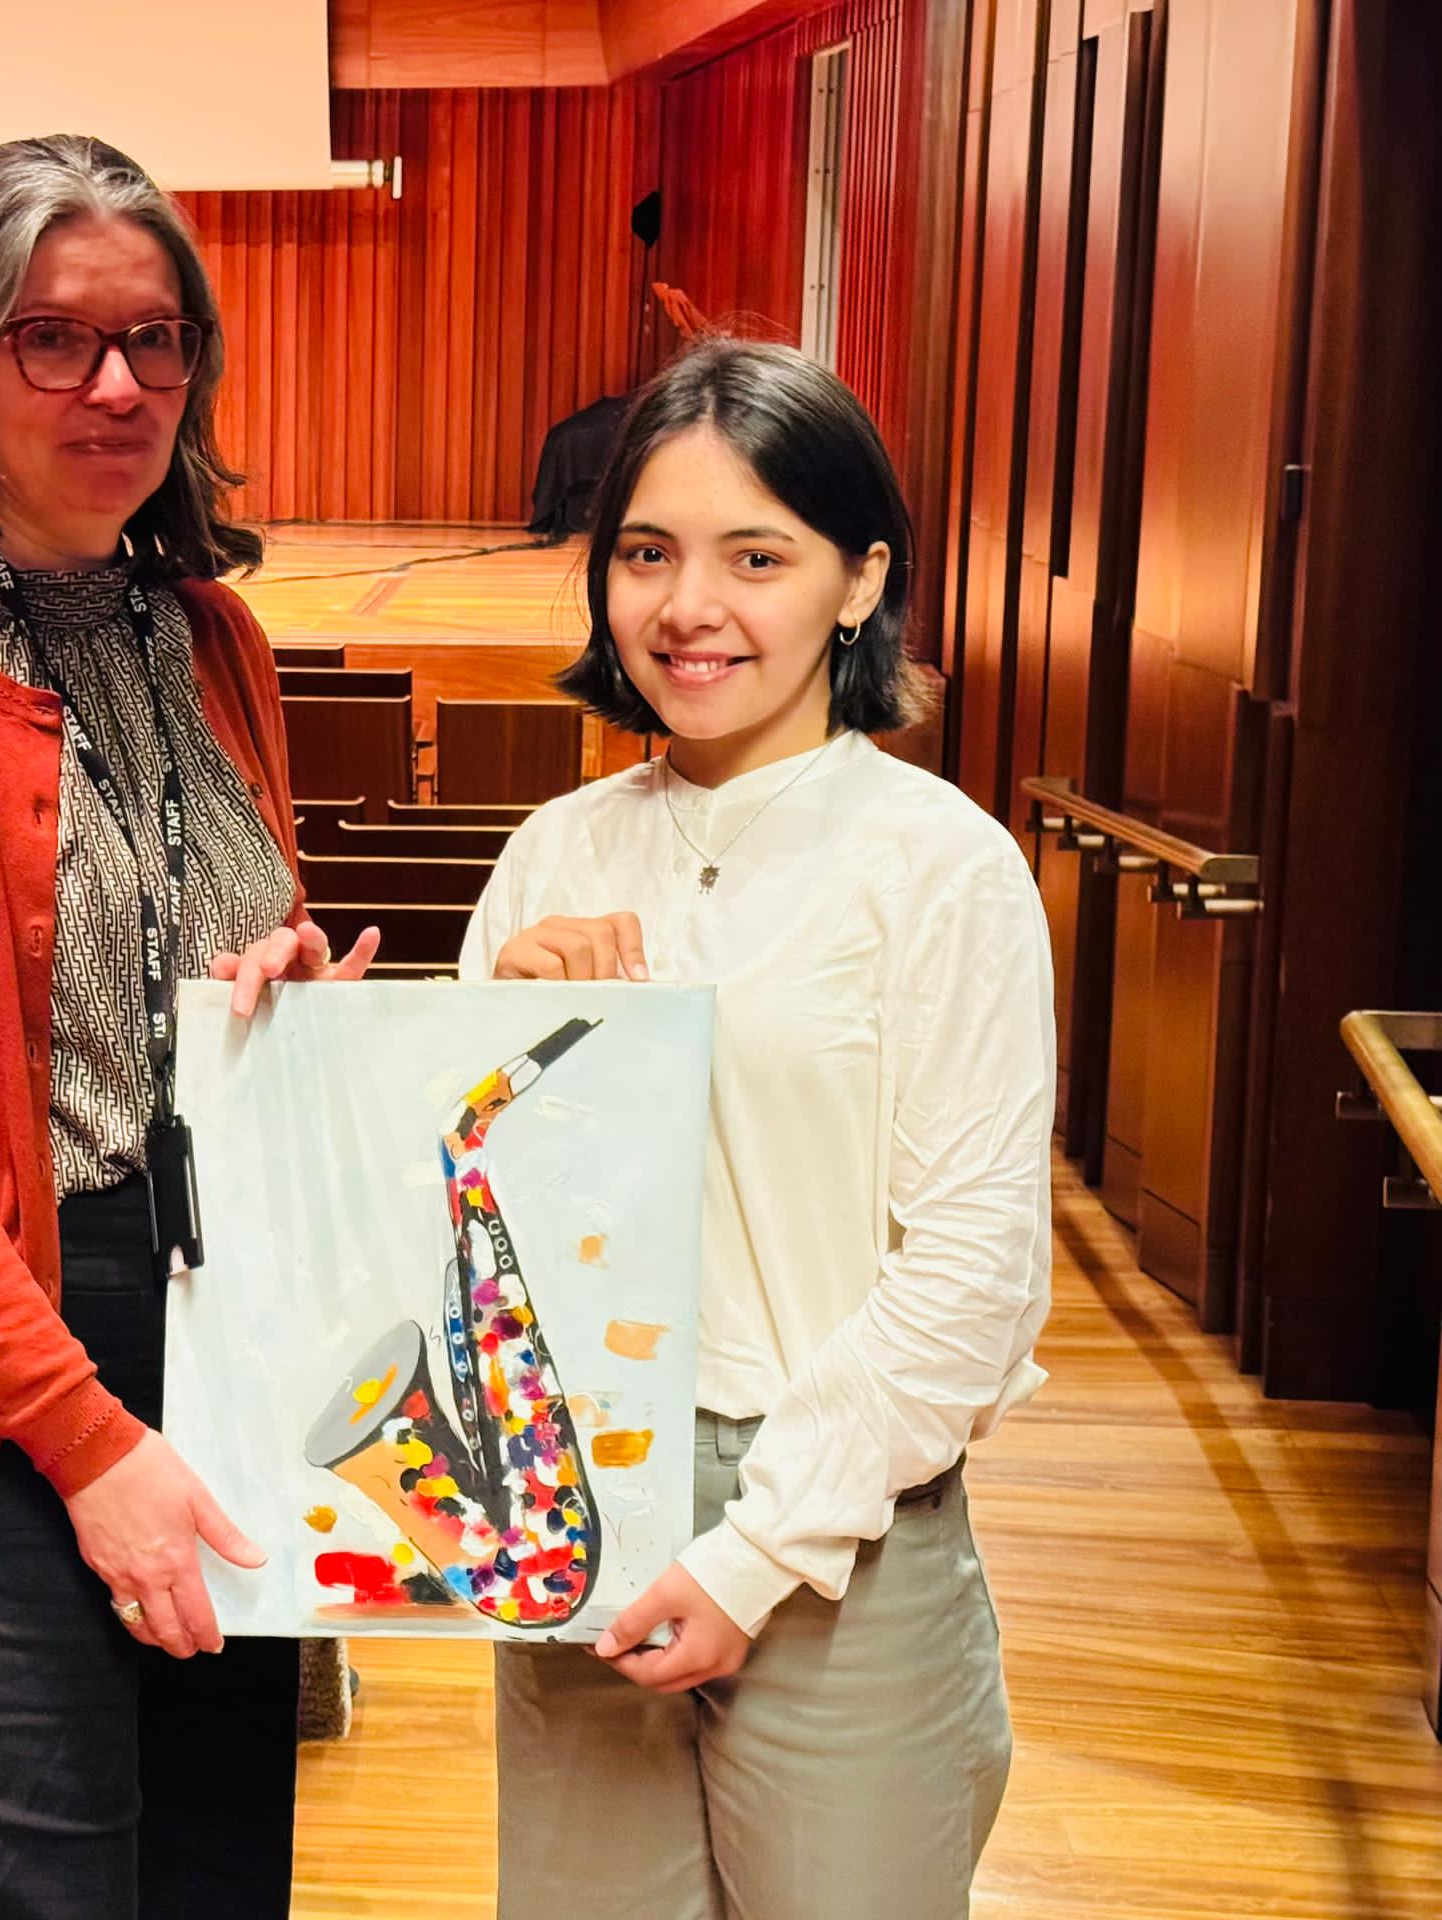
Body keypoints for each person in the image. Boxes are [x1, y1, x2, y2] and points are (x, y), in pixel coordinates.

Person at [0, 134, 375, 1920]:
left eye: (155, 338)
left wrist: (287, 985)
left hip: (227, 1330)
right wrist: (89, 1443)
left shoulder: (215, 637)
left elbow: (199, 924)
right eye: (55, 337)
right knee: (22, 1889)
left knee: (213, 1868)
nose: (118, 385)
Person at [465, 338, 1052, 1919]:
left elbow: (976, 1275)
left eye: (757, 557)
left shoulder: (941, 865)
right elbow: (477, 1247)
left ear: (862, 581)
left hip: (843, 1528)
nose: (688, 607)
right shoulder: (551, 854)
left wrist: (752, 1556)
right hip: (584, 1495)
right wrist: (497, 1053)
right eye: (646, 554)